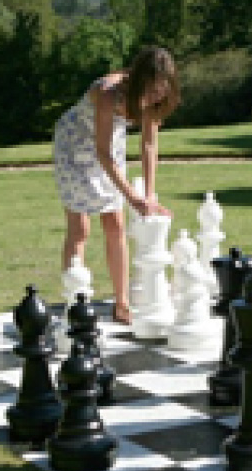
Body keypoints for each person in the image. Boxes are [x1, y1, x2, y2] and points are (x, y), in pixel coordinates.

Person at [53, 46, 181, 324]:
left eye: (162, 89)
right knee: (81, 228)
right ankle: (75, 305)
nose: (157, 95)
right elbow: (101, 151)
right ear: (138, 81)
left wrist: (148, 195)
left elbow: (148, 144)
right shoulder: (108, 92)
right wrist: (132, 197)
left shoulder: (155, 99)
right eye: (152, 88)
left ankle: (121, 303)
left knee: (116, 224)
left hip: (110, 144)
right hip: (75, 146)